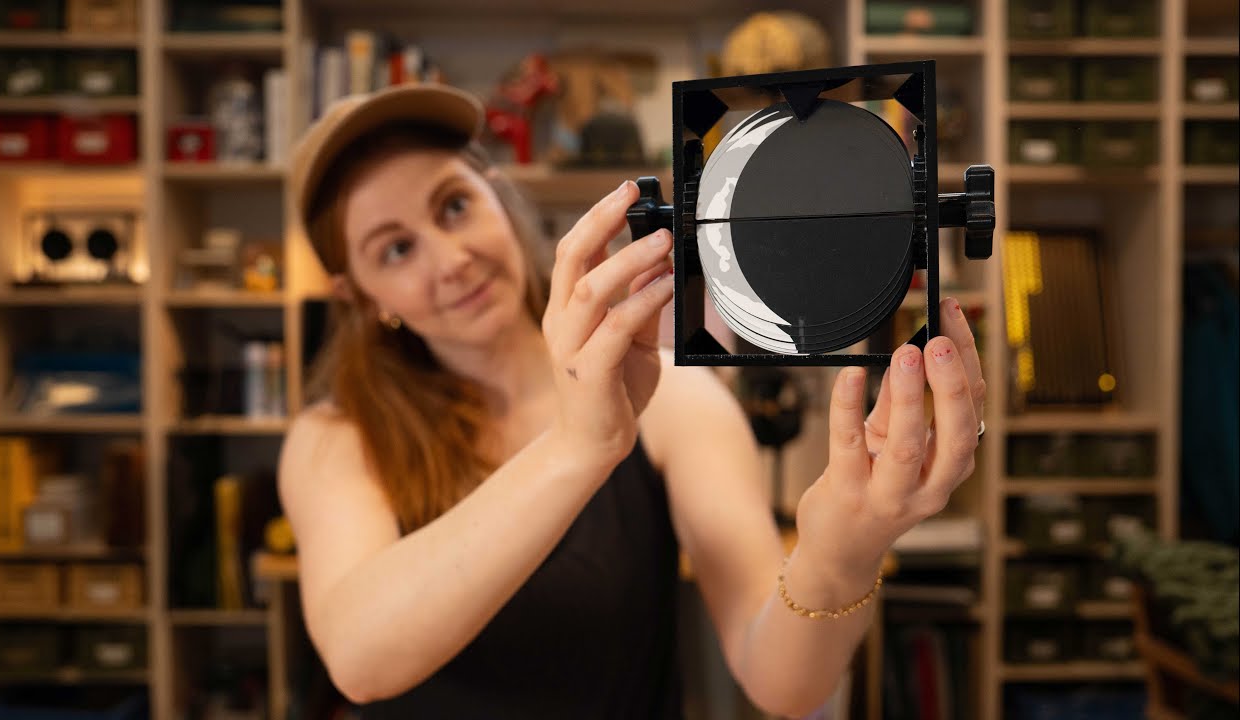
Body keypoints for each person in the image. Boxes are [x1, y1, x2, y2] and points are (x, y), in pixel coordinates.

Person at [279, 83, 986, 719]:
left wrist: (840, 552)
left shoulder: (673, 396)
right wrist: (578, 448)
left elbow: (781, 686)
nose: (450, 258)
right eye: (394, 250)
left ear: (497, 193)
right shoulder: (336, 435)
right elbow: (360, 661)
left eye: (454, 205)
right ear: (360, 298)